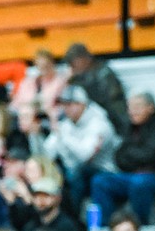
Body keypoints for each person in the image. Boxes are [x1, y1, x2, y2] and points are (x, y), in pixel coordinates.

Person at [90, 91, 155, 225]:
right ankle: (109, 227)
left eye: (137, 107)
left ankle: (139, 227)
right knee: (100, 181)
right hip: (133, 174)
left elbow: (149, 155)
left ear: (151, 107)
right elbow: (119, 157)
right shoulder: (129, 126)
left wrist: (132, 155)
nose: (132, 111)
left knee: (139, 184)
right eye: (129, 107)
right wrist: (135, 156)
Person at [43, 84, 119, 213]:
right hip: (76, 170)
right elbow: (48, 152)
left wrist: (64, 136)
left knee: (75, 175)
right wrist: (55, 132)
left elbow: (85, 155)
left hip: (104, 170)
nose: (65, 109)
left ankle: (74, 218)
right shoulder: (66, 124)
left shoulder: (99, 123)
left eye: (70, 104)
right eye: (64, 104)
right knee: (55, 174)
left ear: (82, 104)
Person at [64, 42, 127, 133]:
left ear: (83, 59)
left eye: (73, 62)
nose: (71, 66)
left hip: (112, 120)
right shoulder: (85, 75)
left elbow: (101, 100)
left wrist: (73, 80)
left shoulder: (104, 74)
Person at [12, 49, 68, 122]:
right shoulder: (28, 82)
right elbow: (15, 104)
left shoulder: (60, 81)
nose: (44, 70)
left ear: (52, 63)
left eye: (46, 66)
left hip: (52, 119)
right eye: (40, 67)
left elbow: (62, 104)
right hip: (29, 119)